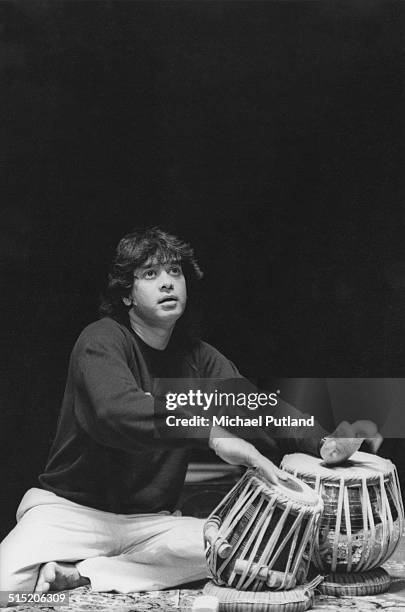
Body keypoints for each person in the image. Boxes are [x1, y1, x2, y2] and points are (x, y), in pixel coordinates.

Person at [0, 228, 382, 602]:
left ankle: (82, 575)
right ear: (127, 296)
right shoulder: (101, 340)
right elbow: (115, 412)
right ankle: (96, 567)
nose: (167, 283)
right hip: (69, 512)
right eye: (150, 274)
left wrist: (324, 441)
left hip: (151, 523)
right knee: (5, 588)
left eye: (175, 272)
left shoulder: (199, 358)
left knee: (248, 552)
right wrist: (213, 435)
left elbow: (258, 408)